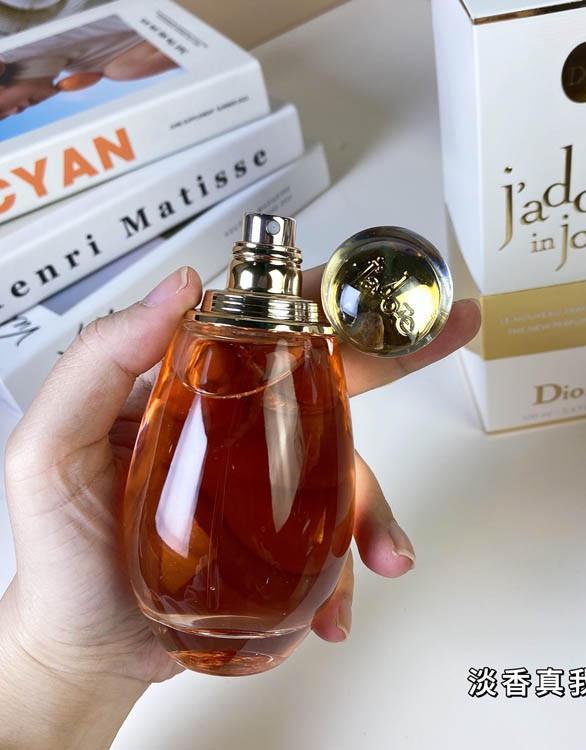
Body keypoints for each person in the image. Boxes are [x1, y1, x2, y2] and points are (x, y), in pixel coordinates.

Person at [0, 265, 481, 748]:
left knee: (304, 470)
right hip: (168, 613)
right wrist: (56, 660)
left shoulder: (304, 348)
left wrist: (59, 667)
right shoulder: (199, 341)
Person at [0, 15, 177, 119]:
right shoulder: (108, 66)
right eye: (4, 117)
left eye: (1, 110)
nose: (15, 111)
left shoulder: (13, 40)